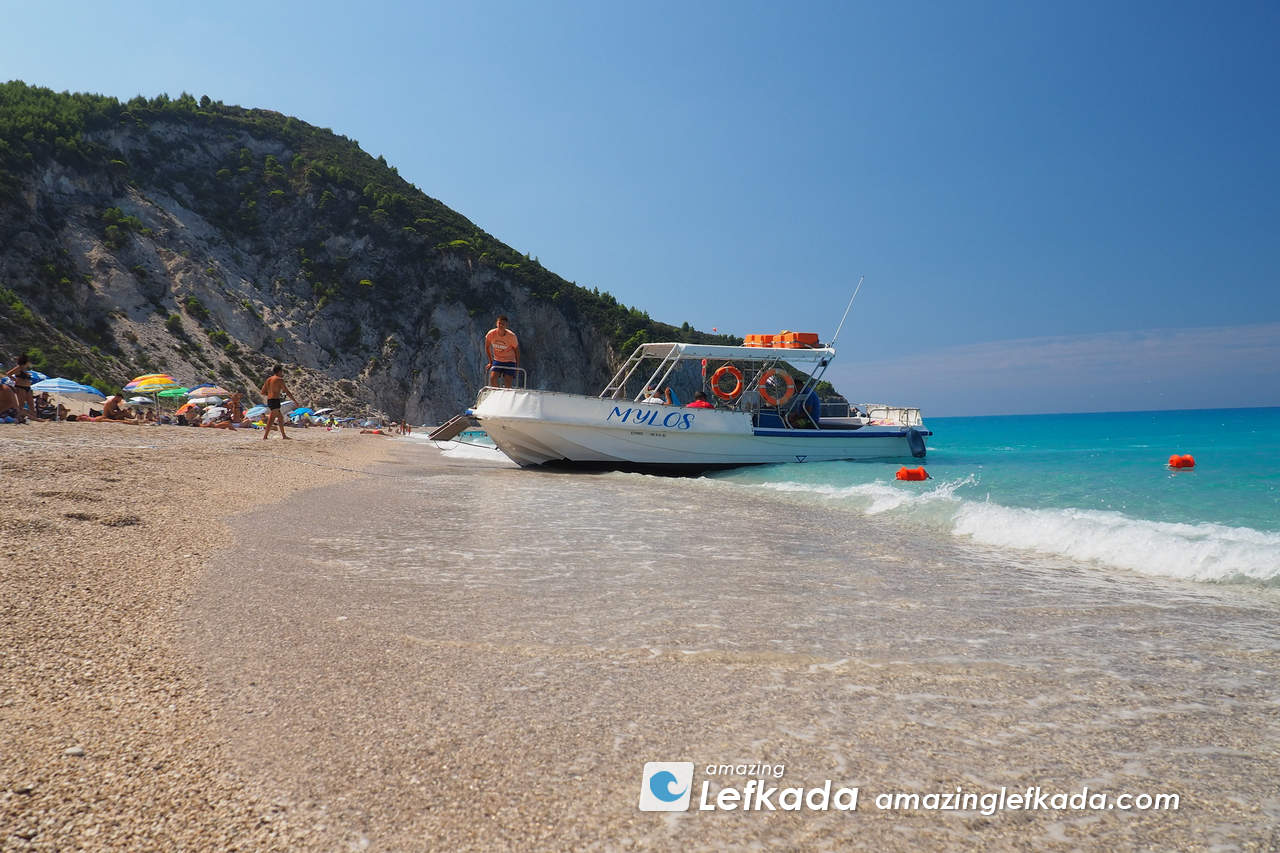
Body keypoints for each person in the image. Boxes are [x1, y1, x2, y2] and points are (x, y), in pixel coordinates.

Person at [484, 315, 520, 388]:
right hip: (498, 360)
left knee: (507, 381)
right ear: (496, 324)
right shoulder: (491, 334)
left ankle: (507, 397)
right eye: (499, 323)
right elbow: (487, 347)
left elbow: (517, 350)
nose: (501, 325)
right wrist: (491, 362)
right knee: (493, 378)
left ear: (506, 325)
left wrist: (517, 366)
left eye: (503, 324)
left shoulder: (511, 336)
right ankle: (497, 395)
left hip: (510, 361)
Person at [259, 365, 293, 440]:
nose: (282, 373)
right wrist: (294, 401)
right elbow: (287, 391)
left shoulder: (268, 379)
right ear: (279, 371)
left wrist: (271, 393)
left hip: (270, 400)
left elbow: (263, 392)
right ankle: (265, 436)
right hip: (275, 401)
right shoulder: (279, 380)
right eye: (282, 372)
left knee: (280, 418)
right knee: (271, 419)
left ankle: (284, 435)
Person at [5, 354, 36, 421]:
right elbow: (8, 373)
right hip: (20, 387)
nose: (29, 362)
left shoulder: (25, 369)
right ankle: (19, 417)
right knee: (22, 404)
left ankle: (34, 417)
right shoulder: (18, 367)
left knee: (31, 403)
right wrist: (14, 379)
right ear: (25, 361)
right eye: (28, 361)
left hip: (28, 388)